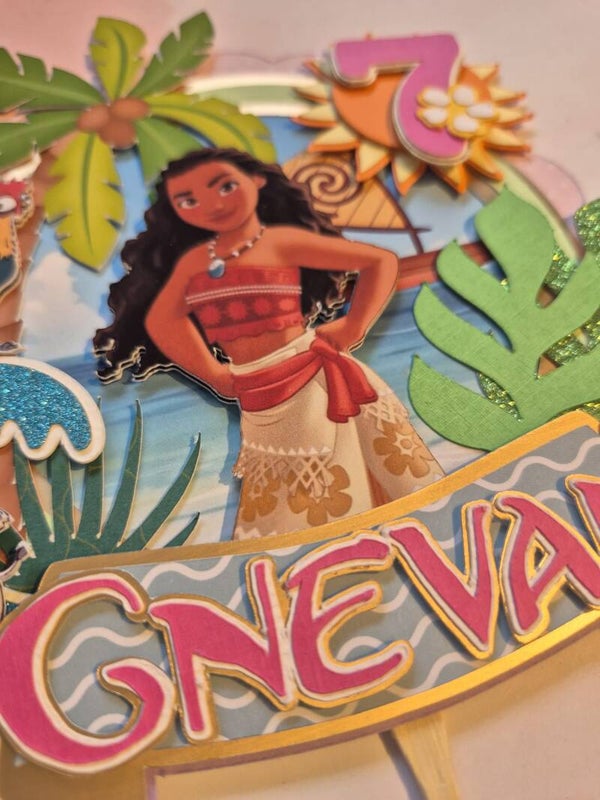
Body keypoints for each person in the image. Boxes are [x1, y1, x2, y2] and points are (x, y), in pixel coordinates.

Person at [94, 148, 442, 539]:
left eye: (225, 187)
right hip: (256, 391)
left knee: (345, 479)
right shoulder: (194, 263)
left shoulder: (279, 241)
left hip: (315, 378)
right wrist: (212, 373)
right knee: (284, 497)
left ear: (257, 181)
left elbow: (380, 262)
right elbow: (162, 319)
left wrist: (354, 325)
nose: (212, 205)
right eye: (188, 201)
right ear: (175, 210)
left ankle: (383, 541)